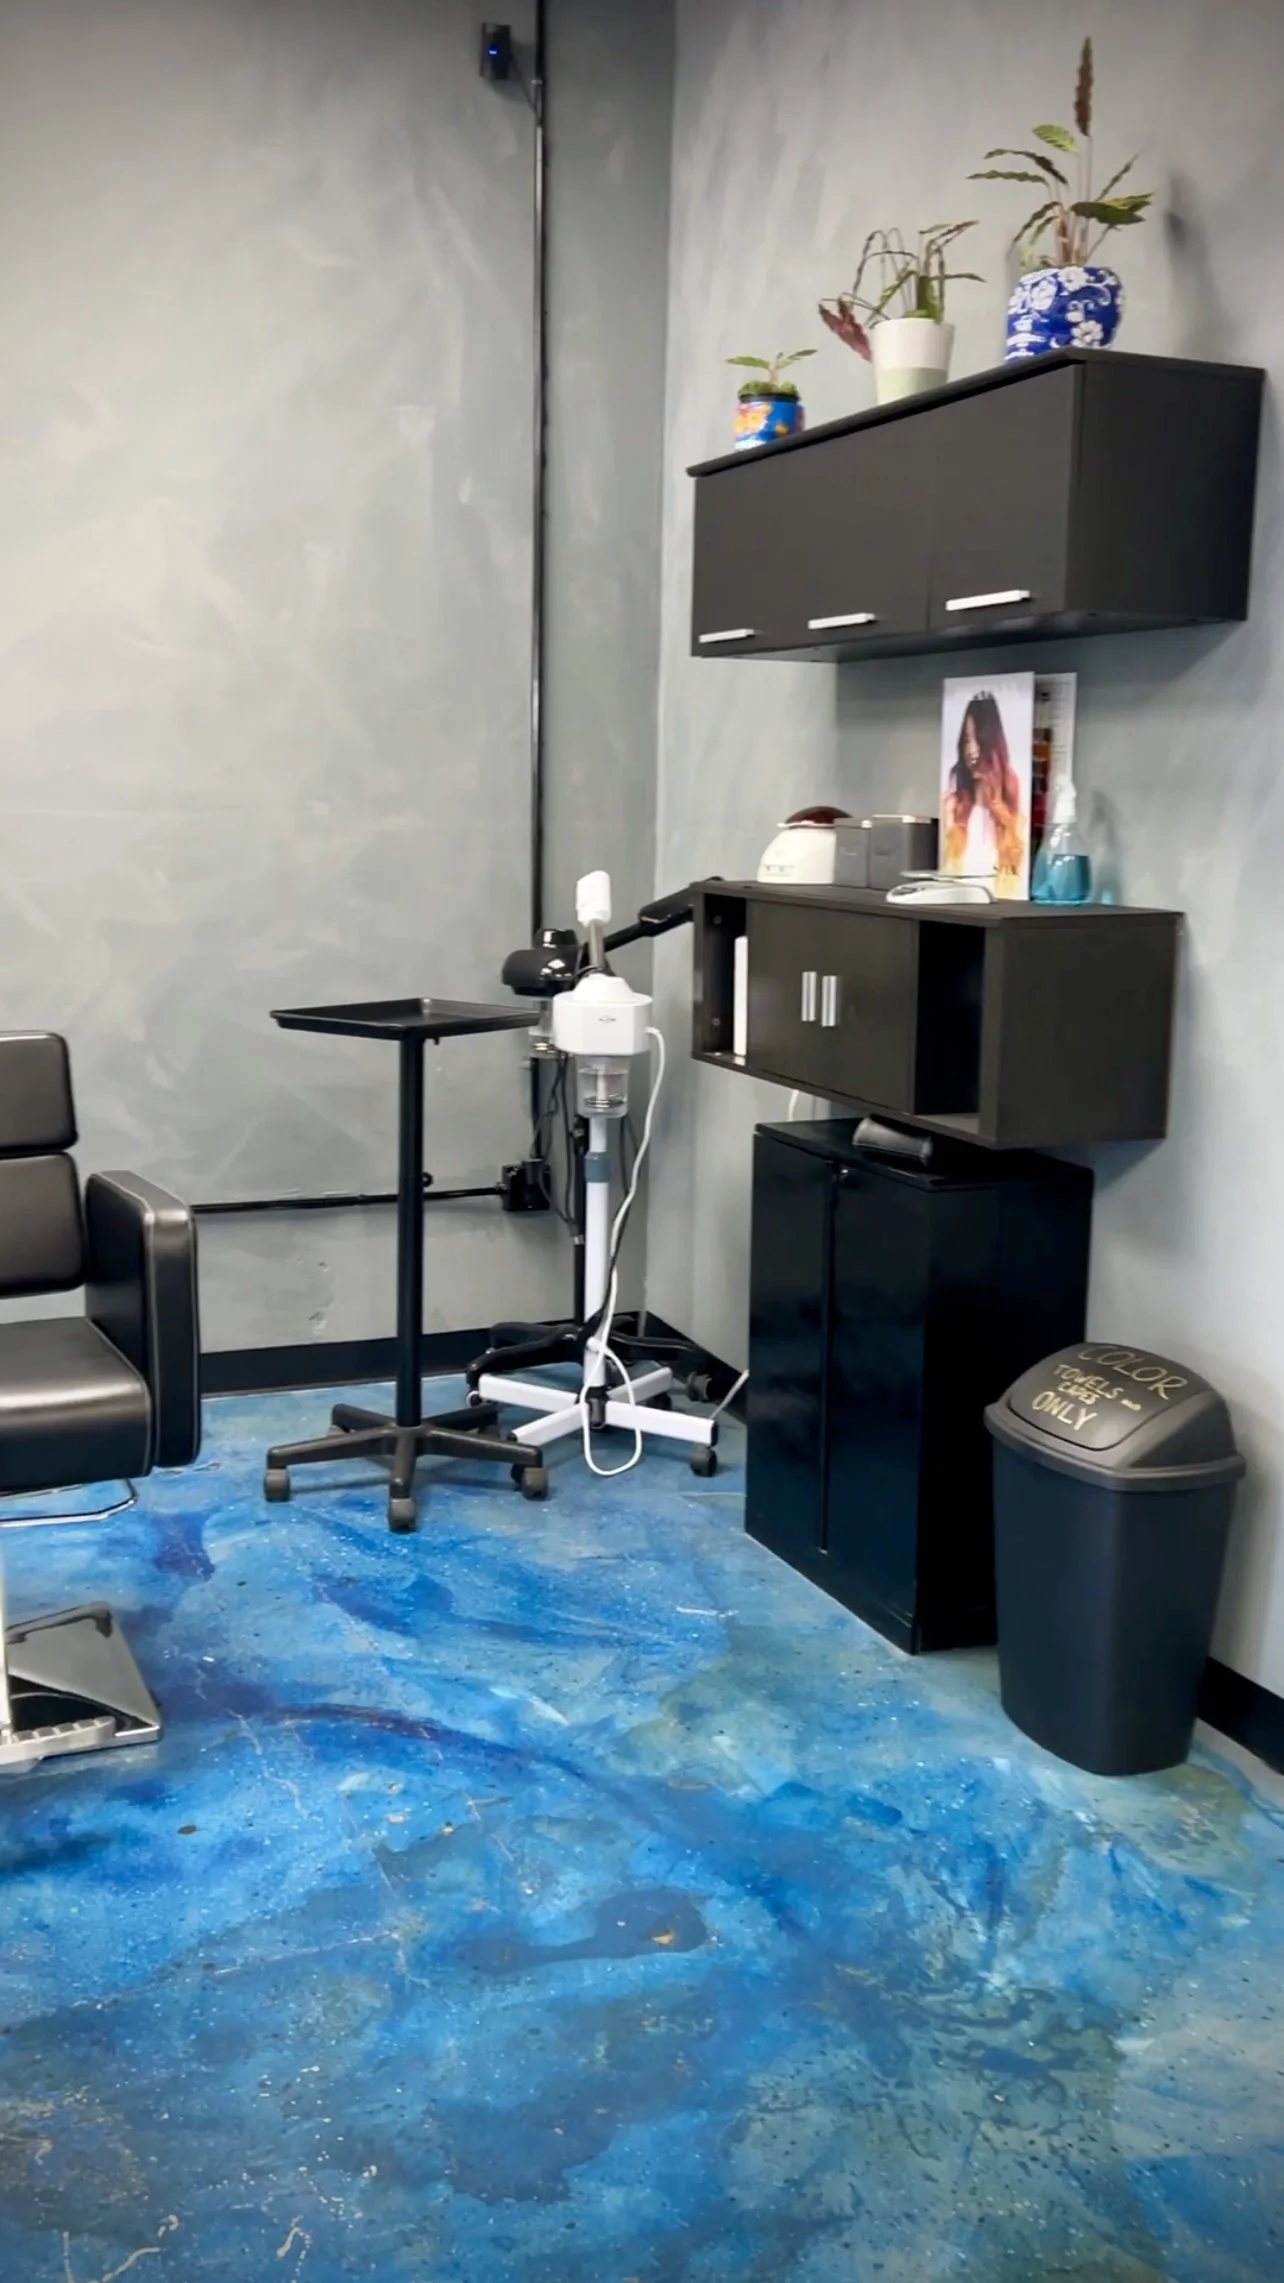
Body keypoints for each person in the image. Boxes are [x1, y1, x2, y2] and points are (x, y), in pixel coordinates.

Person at [942, 691, 1026, 897]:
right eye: (966, 740)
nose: (972, 751)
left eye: (978, 740)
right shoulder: (951, 807)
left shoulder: (1015, 816)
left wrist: (996, 805)